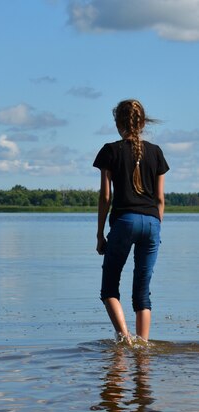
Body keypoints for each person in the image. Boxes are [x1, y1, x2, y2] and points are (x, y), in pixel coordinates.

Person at [93, 99, 169, 343]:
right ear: (143, 123)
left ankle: (125, 340)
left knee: (109, 289)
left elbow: (106, 197)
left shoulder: (109, 150)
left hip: (124, 221)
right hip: (151, 223)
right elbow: (159, 200)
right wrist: (156, 230)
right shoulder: (156, 152)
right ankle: (143, 347)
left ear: (117, 124)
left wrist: (100, 233)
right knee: (142, 291)